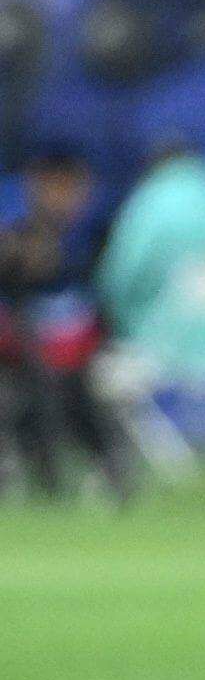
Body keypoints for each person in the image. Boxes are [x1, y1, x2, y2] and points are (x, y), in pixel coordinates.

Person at [92, 133, 205, 475]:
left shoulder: (154, 197)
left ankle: (172, 460)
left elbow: (126, 267)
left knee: (109, 382)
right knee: (198, 393)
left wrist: (115, 311)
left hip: (166, 329)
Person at [0, 141, 134, 503]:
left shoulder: (97, 234)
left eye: (70, 186)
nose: (62, 196)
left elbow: (107, 297)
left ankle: (107, 467)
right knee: (33, 382)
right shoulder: (18, 234)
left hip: (81, 348)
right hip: (23, 349)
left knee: (78, 390)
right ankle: (43, 474)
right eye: (52, 186)